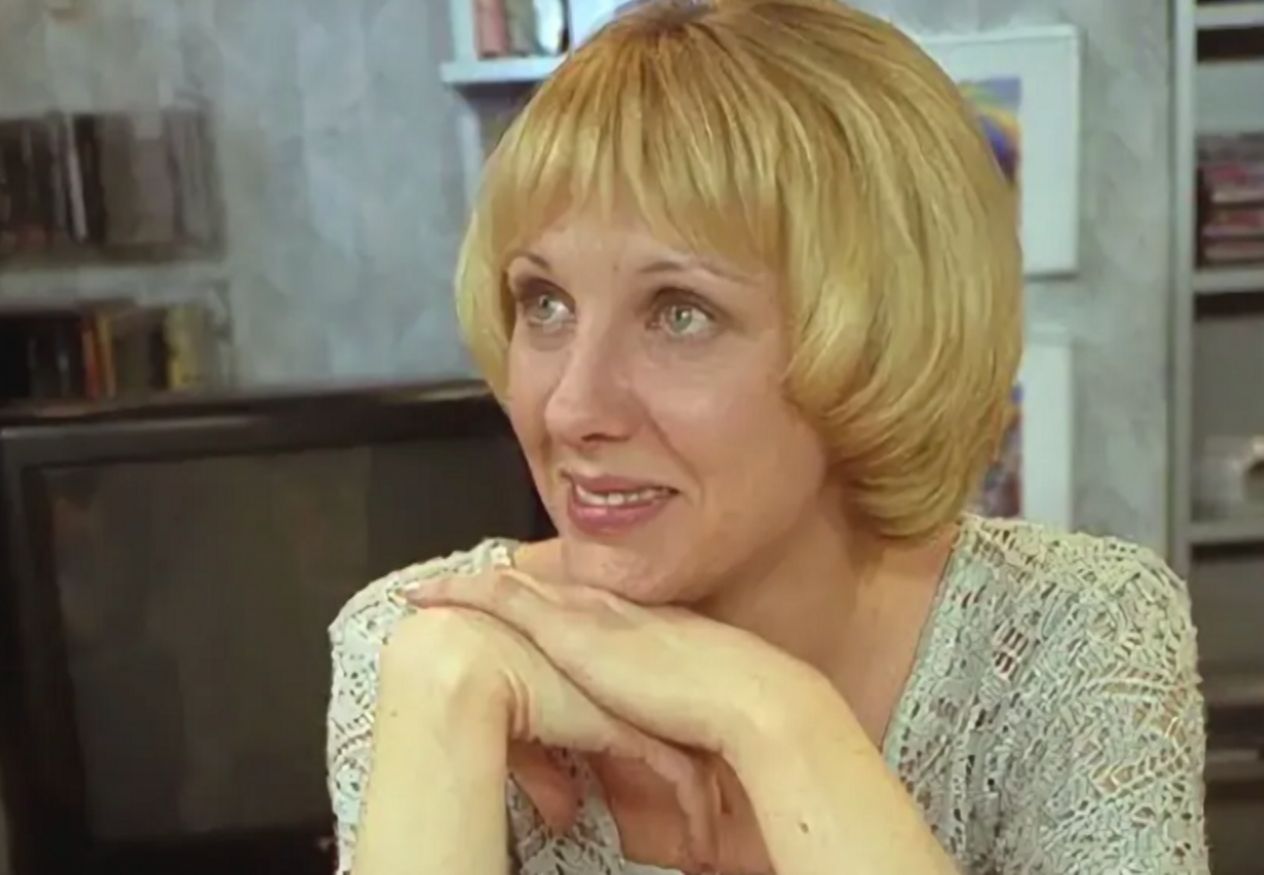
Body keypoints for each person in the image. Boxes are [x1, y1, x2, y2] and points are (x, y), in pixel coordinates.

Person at [326, 0, 1208, 872]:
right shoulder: (431, 649)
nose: (570, 408)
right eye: (545, 302)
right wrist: (443, 700)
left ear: (874, 343)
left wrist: (774, 716)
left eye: (680, 312)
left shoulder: (1074, 632)